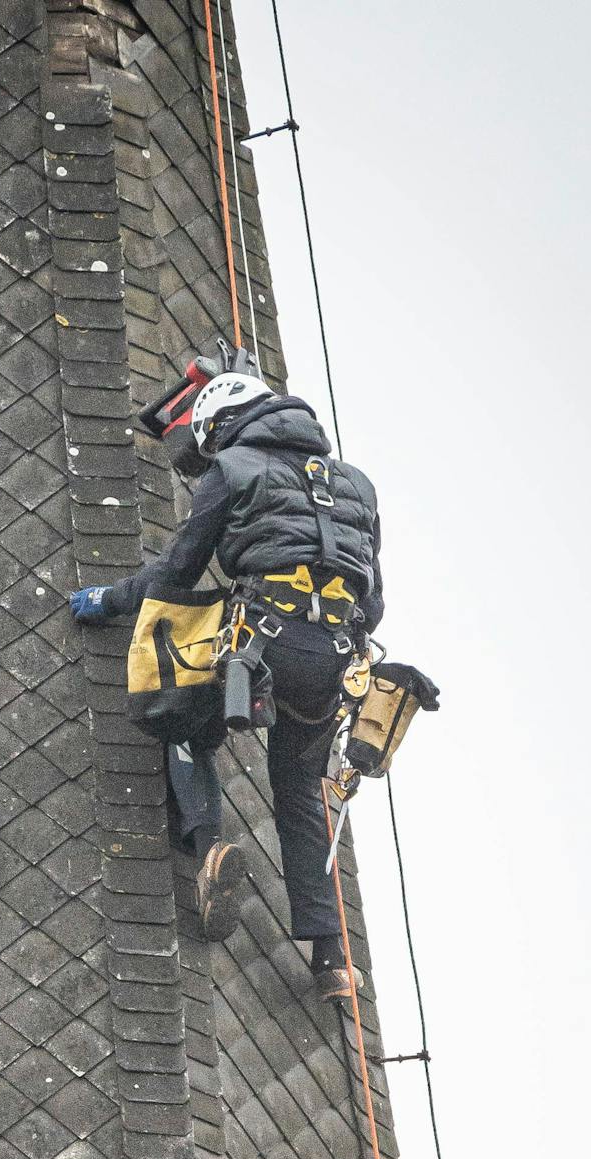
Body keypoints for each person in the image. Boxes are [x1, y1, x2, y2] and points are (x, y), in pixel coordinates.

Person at [71, 365, 383, 999]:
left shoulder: (233, 468)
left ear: (220, 426)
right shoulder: (357, 485)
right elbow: (372, 602)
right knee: (299, 790)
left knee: (182, 714)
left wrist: (111, 599)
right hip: (338, 659)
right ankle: (331, 960)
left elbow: (178, 569)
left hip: (264, 643)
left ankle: (211, 847)